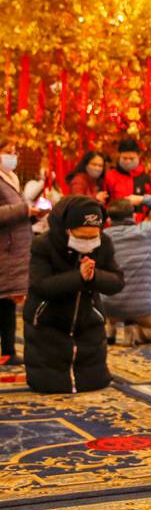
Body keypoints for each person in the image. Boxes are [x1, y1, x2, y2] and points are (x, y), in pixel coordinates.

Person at [23, 196, 124, 393]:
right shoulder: (43, 244)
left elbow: (117, 282)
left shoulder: (104, 243)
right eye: (82, 237)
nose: (88, 242)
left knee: (94, 383)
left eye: (92, 237)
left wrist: (94, 277)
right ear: (67, 229)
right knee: (51, 385)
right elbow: (40, 286)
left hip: (88, 321)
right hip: (48, 323)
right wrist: (78, 277)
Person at [101, 194, 151, 346]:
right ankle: (135, 332)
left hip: (108, 306)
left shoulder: (103, 237)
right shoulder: (148, 231)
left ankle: (109, 328)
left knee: (108, 294)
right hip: (141, 307)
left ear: (110, 220)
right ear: (134, 216)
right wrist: (143, 199)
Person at [1, 140, 46, 365]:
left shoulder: (11, 178)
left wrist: (31, 214)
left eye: (14, 152)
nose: (12, 156)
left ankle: (8, 350)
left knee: (8, 300)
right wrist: (23, 209)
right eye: (7, 152)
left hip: (13, 249)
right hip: (4, 248)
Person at [103, 138, 151, 204]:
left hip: (141, 214)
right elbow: (105, 201)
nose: (128, 161)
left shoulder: (145, 177)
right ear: (119, 156)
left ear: (138, 156)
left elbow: (150, 200)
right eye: (124, 158)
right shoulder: (110, 176)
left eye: (131, 158)